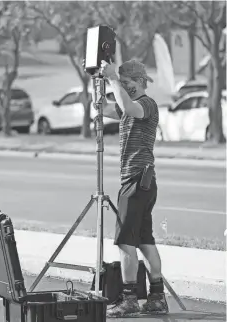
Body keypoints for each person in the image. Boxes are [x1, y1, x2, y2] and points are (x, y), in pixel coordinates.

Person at [96, 58, 169, 318]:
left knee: (125, 242)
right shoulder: (129, 107)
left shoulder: (146, 105)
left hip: (137, 181)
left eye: (127, 83)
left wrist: (114, 78)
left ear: (139, 82)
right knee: (145, 241)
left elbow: (127, 105)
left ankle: (129, 300)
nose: (123, 87)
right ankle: (157, 297)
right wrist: (96, 77)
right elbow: (103, 107)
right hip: (140, 182)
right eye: (122, 83)